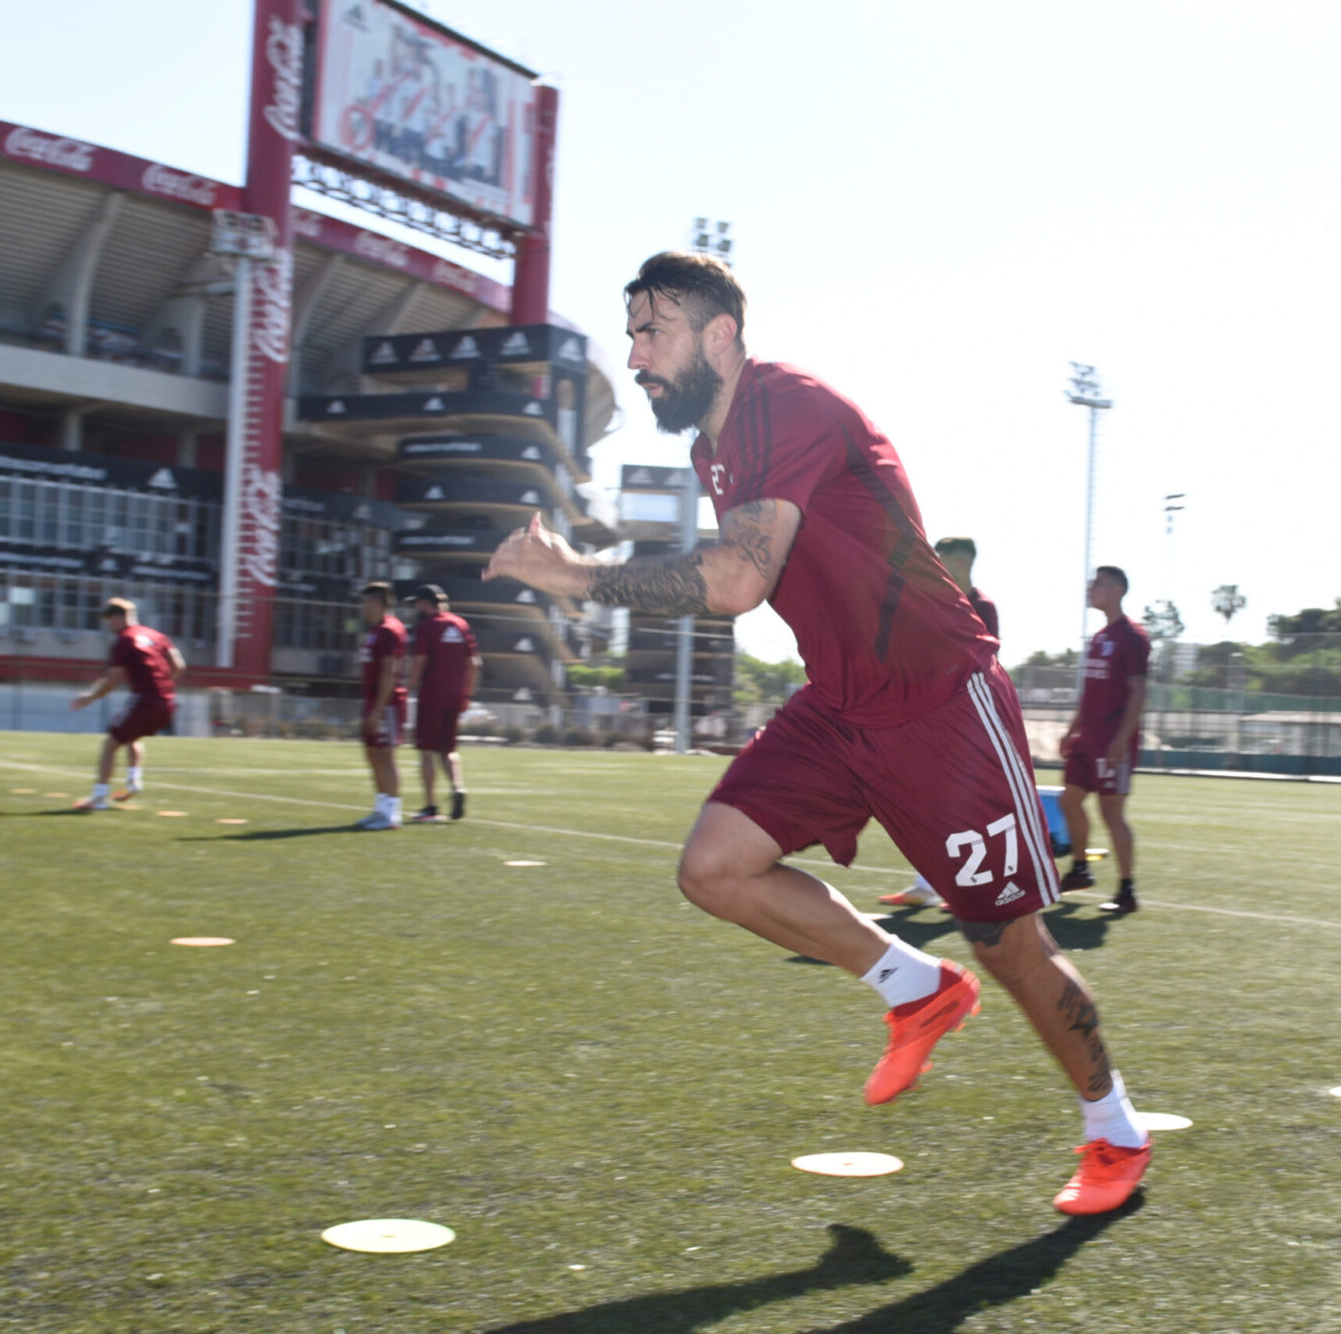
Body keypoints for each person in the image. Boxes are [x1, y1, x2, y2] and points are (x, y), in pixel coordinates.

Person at [484, 252, 1151, 1215]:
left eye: (651, 332)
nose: (634, 356)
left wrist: (576, 573)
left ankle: (1115, 1132)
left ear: (720, 335)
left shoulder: (783, 407)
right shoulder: (713, 445)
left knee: (1008, 946)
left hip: (939, 706)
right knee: (713, 866)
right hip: (840, 703)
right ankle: (915, 986)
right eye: (631, 334)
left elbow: (736, 581)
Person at [881, 536, 998, 910]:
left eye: (941, 560)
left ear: (961, 563)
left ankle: (979, 886)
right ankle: (928, 885)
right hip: (930, 714)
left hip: (967, 716)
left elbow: (980, 659)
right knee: (926, 800)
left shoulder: (982, 607)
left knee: (965, 803)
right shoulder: (931, 601)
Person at [1059, 567, 1150, 914]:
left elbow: (1138, 691)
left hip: (1113, 741)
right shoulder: (1098, 638)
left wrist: (1121, 741)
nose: (1090, 588)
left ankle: (1127, 891)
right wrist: (1072, 730)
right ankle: (1080, 869)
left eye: (1097, 583)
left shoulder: (1133, 637)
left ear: (1117, 590)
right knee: (1070, 801)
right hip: (1087, 740)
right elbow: (1090, 694)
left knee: (1112, 813)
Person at [68, 598, 183, 811]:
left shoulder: (124, 641)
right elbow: (179, 665)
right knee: (131, 737)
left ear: (119, 617)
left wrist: (89, 697)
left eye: (110, 621)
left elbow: (113, 680)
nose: (109, 626)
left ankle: (99, 798)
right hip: (168, 702)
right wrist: (162, 686)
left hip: (145, 700)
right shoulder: (155, 635)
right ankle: (133, 781)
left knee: (110, 744)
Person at [404, 584, 482, 823]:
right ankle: (458, 788)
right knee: (448, 750)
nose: (416, 607)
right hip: (455, 696)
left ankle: (430, 805)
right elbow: (475, 664)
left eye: (417, 603)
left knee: (427, 751)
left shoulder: (427, 627)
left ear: (426, 603)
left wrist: (406, 689)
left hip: (431, 695)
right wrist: (466, 695)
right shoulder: (461, 625)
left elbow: (419, 662)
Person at [355, 581, 407, 831]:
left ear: (377, 602)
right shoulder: (375, 630)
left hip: (386, 705)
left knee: (385, 756)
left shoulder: (389, 629)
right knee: (373, 754)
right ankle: (380, 809)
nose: (362, 607)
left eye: (365, 601)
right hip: (373, 702)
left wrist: (378, 709)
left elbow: (390, 671)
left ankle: (391, 815)